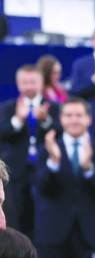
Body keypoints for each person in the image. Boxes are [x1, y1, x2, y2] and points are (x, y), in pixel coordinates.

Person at [34, 98, 95, 258]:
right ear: (61, 119)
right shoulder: (47, 148)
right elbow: (40, 188)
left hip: (87, 233)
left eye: (79, 115)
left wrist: (89, 170)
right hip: (53, 231)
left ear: (88, 119)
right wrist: (53, 162)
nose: (74, 120)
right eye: (68, 115)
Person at [0, 65, 57, 239]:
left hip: (45, 171)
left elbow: (61, 133)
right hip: (15, 171)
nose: (29, 86)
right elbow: (2, 133)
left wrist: (45, 120)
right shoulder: (8, 107)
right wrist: (18, 119)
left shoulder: (53, 108)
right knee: (17, 215)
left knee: (44, 217)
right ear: (18, 84)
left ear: (41, 83)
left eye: (33, 82)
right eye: (25, 82)